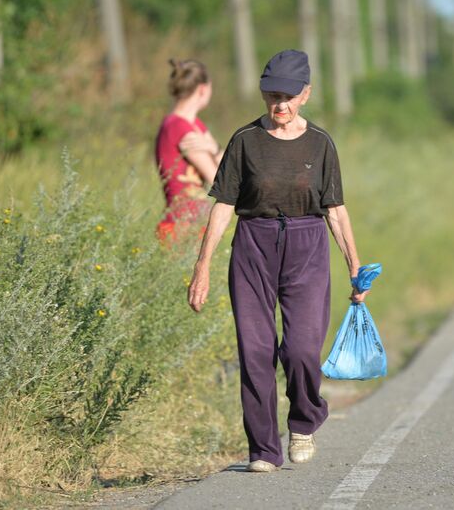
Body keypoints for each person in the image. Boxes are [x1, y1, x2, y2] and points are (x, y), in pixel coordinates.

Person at [187, 49, 369, 473]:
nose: (280, 104)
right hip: (253, 244)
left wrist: (355, 267)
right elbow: (222, 206)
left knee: (303, 349)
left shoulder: (320, 144)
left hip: (306, 245)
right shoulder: (244, 141)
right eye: (271, 95)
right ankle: (263, 449)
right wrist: (202, 268)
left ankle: (303, 422)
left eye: (288, 96)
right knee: (255, 350)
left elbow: (336, 210)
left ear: (306, 94)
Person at [155, 59, 223, 242]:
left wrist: (215, 149)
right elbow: (219, 179)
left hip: (194, 224)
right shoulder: (179, 127)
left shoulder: (194, 125)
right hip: (181, 227)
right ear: (203, 89)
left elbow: (226, 164)